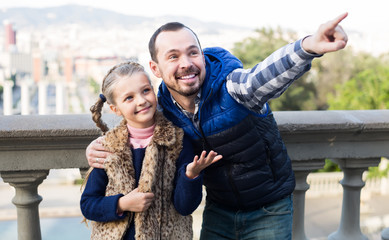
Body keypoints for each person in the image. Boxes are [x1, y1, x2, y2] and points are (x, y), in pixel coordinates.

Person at [86, 13, 348, 240]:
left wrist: (309, 47)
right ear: (156, 68)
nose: (186, 63)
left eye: (192, 52)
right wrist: (95, 148)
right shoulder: (162, 108)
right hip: (219, 208)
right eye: (173, 56)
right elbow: (132, 126)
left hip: (269, 208)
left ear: (202, 54)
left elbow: (264, 76)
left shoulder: (232, 88)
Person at [80, 61, 222, 240]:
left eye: (146, 90)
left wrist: (190, 176)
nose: (141, 100)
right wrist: (122, 204)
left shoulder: (177, 141)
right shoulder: (108, 148)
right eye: (129, 98)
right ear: (116, 109)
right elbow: (88, 205)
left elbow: (185, 207)